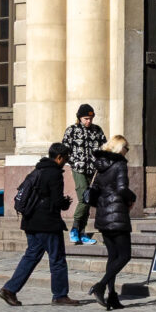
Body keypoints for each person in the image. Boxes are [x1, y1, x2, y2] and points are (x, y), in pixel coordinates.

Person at [0, 143, 82, 307]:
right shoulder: (54, 174)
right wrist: (65, 203)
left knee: (31, 256)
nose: (66, 161)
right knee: (57, 259)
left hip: (30, 221)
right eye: (66, 158)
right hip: (47, 223)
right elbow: (56, 200)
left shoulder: (38, 170)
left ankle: (9, 289)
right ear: (59, 158)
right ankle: (60, 295)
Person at [86, 135, 138, 309]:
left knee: (113, 256)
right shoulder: (119, 164)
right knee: (124, 255)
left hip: (102, 215)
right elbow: (122, 189)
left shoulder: (100, 164)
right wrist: (133, 198)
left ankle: (112, 296)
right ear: (119, 148)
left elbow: (95, 189)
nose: (127, 152)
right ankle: (100, 286)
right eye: (126, 148)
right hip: (117, 216)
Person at [61, 105, 104, 246]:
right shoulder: (71, 131)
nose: (89, 121)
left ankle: (82, 232)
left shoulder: (97, 130)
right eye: (86, 118)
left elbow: (104, 147)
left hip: (93, 170)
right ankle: (74, 228)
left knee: (89, 199)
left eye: (91, 119)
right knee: (84, 198)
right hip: (79, 169)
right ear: (79, 118)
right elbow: (64, 150)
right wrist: (74, 162)